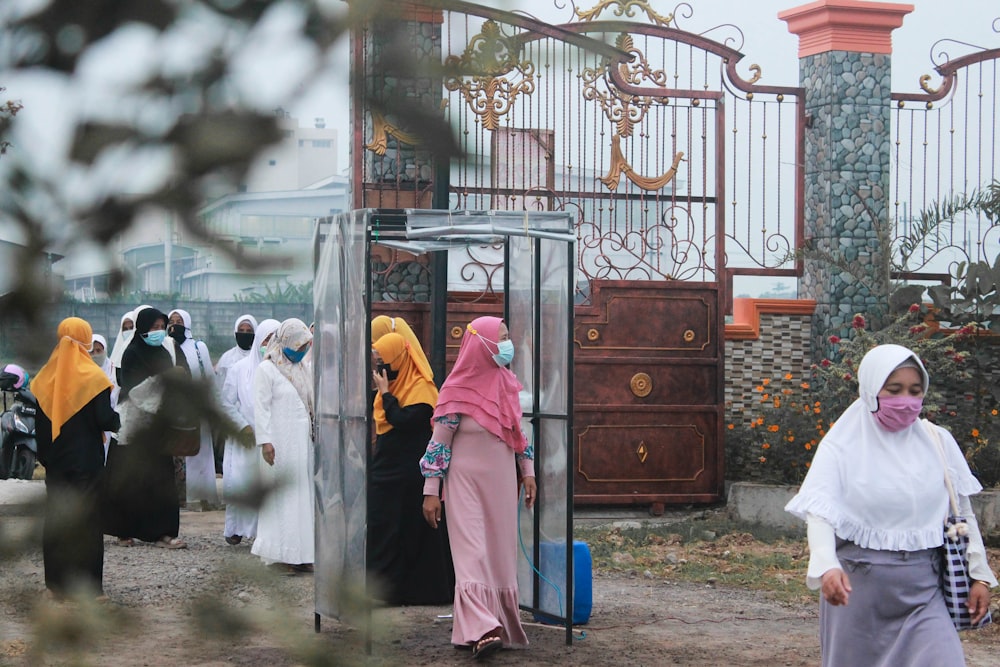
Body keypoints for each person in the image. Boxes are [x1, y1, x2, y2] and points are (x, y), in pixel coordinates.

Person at [785, 344, 997, 667]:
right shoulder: (841, 446)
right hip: (857, 593)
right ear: (871, 391)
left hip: (923, 594)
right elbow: (820, 511)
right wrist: (827, 566)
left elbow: (962, 513)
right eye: (894, 390)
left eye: (915, 391)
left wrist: (980, 576)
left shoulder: (937, 442)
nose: (906, 400)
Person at [420, 316, 536, 658]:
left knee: (500, 553)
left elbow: (519, 435)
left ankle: (496, 623)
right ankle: (482, 629)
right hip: (464, 484)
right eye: (500, 338)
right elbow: (438, 445)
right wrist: (430, 490)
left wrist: (527, 471)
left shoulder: (507, 384)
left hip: (501, 483)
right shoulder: (455, 390)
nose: (506, 344)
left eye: (507, 337)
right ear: (482, 345)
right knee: (472, 552)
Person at [32, 317, 120, 599]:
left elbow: (40, 429)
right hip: (88, 464)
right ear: (85, 340)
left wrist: (49, 460)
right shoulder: (93, 377)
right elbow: (106, 419)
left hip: (57, 463)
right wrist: (121, 420)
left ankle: (56, 585)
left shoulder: (44, 378)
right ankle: (91, 588)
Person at [368, 328, 454, 605]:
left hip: (412, 475)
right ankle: (384, 591)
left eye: (385, 361)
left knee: (415, 533)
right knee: (385, 529)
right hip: (387, 472)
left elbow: (404, 421)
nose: (381, 368)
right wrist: (385, 393)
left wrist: (385, 393)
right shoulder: (394, 386)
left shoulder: (422, 390)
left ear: (399, 359)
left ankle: (421, 591)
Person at [104, 307, 187, 549]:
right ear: (142, 329)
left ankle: (163, 532)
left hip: (158, 426)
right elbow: (135, 390)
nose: (158, 332)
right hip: (133, 426)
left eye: (162, 327)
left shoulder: (163, 353)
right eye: (154, 327)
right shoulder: (131, 354)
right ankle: (123, 530)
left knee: (160, 480)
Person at [252, 318, 315, 574]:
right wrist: (265, 441)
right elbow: (261, 408)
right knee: (283, 498)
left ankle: (302, 554)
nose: (300, 352)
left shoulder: (302, 369)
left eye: (304, 348)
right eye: (297, 347)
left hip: (302, 446)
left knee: (303, 497)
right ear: (285, 342)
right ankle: (280, 554)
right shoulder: (267, 370)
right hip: (278, 446)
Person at [219, 318, 279, 546]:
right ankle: (236, 529)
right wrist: (243, 426)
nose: (270, 344)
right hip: (245, 437)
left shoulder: (282, 369)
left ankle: (263, 534)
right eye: (266, 339)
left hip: (272, 437)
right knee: (242, 484)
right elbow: (225, 402)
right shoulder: (238, 369)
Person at [167, 308, 219, 510]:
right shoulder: (166, 347)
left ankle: (202, 497)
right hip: (173, 410)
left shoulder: (198, 347)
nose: (175, 324)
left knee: (200, 452)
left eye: (179, 320)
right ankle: (179, 497)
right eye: (171, 320)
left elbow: (208, 378)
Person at [90, 334, 120, 462]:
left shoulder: (113, 370)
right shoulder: (83, 372)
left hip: (111, 425)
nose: (95, 354)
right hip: (91, 426)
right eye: (91, 351)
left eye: (99, 350)